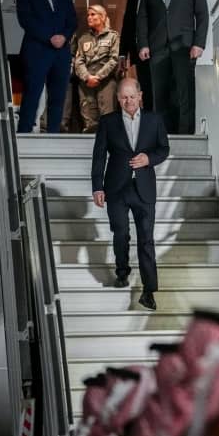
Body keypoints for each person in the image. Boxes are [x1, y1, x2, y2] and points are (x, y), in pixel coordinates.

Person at [91, 78, 169, 311]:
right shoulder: (108, 122)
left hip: (144, 188)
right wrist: (97, 186)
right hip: (116, 187)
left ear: (140, 95)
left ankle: (148, 291)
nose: (128, 101)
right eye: (124, 97)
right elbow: (99, 156)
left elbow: (164, 148)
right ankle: (122, 272)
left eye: (132, 96)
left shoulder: (154, 120)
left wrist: (149, 159)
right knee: (121, 233)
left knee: (146, 240)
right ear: (118, 99)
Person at [136, 0, 208, 135]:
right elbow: (142, 16)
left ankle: (185, 135)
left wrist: (199, 44)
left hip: (184, 46)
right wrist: (143, 44)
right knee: (159, 94)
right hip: (157, 47)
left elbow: (202, 14)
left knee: (184, 93)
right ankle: (161, 135)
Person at [15, 0, 77, 133]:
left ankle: (54, 135)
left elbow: (72, 20)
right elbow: (25, 20)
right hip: (37, 50)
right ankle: (24, 135)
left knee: (58, 97)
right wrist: (49, 37)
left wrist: (64, 37)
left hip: (61, 53)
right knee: (32, 95)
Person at [119, 0, 160, 109]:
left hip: (164, 53)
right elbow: (128, 24)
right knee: (147, 94)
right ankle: (150, 128)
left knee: (164, 95)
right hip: (141, 54)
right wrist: (123, 53)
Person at [75, 5, 119, 132]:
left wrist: (98, 76)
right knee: (89, 121)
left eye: (93, 14)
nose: (89, 17)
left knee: (108, 120)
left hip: (105, 82)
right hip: (86, 83)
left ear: (103, 17)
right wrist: (87, 77)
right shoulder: (83, 38)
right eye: (88, 15)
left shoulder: (113, 36)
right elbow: (79, 61)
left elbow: (114, 60)